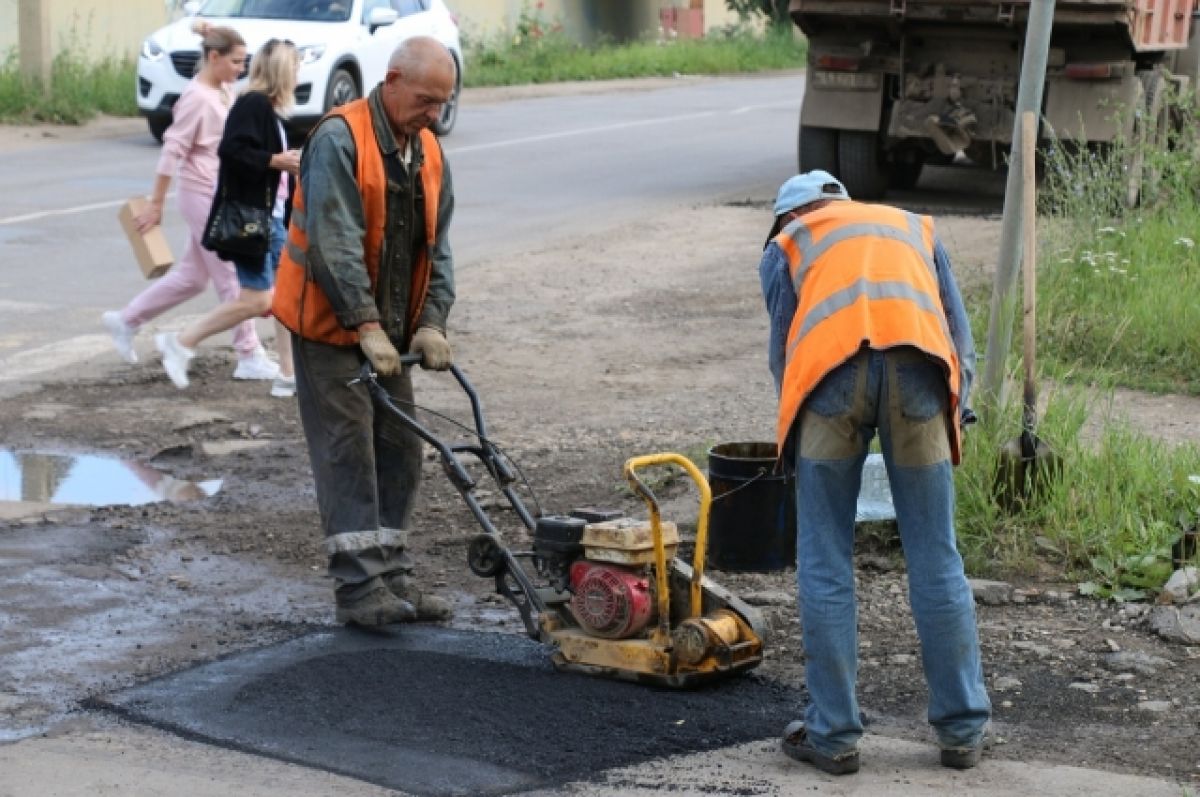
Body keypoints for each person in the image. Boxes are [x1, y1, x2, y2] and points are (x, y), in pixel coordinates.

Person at [759, 171, 991, 775]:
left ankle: (833, 736)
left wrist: (795, 432)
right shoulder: (911, 227)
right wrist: (955, 410)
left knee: (824, 557)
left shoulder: (787, 244)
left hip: (829, 383)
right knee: (937, 555)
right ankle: (963, 731)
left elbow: (785, 350)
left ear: (787, 217)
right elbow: (958, 333)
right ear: (841, 202)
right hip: (920, 377)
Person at [270, 37, 458, 627]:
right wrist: (365, 324)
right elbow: (334, 245)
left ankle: (393, 574)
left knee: (400, 447)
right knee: (347, 450)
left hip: (392, 334)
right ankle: (358, 590)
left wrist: (431, 321)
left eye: (442, 104)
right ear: (393, 79)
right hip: (329, 327)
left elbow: (439, 246)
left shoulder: (426, 149)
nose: (434, 114)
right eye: (426, 100)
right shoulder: (339, 139)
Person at [102, 21, 275, 380]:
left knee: (193, 277)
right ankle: (249, 354)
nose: (241, 69)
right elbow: (172, 152)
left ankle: (125, 320)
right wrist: (156, 203)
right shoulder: (196, 98)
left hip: (216, 192)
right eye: (236, 62)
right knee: (231, 275)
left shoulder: (223, 89)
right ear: (214, 58)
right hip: (202, 195)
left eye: (244, 62)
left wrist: (211, 29)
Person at [154, 37, 301, 397]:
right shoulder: (252, 104)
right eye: (295, 69)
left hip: (272, 216)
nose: (298, 76)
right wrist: (276, 160)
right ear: (283, 72)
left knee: (285, 296)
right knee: (260, 299)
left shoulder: (266, 109)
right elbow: (232, 150)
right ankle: (181, 341)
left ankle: (288, 374)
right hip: (252, 221)